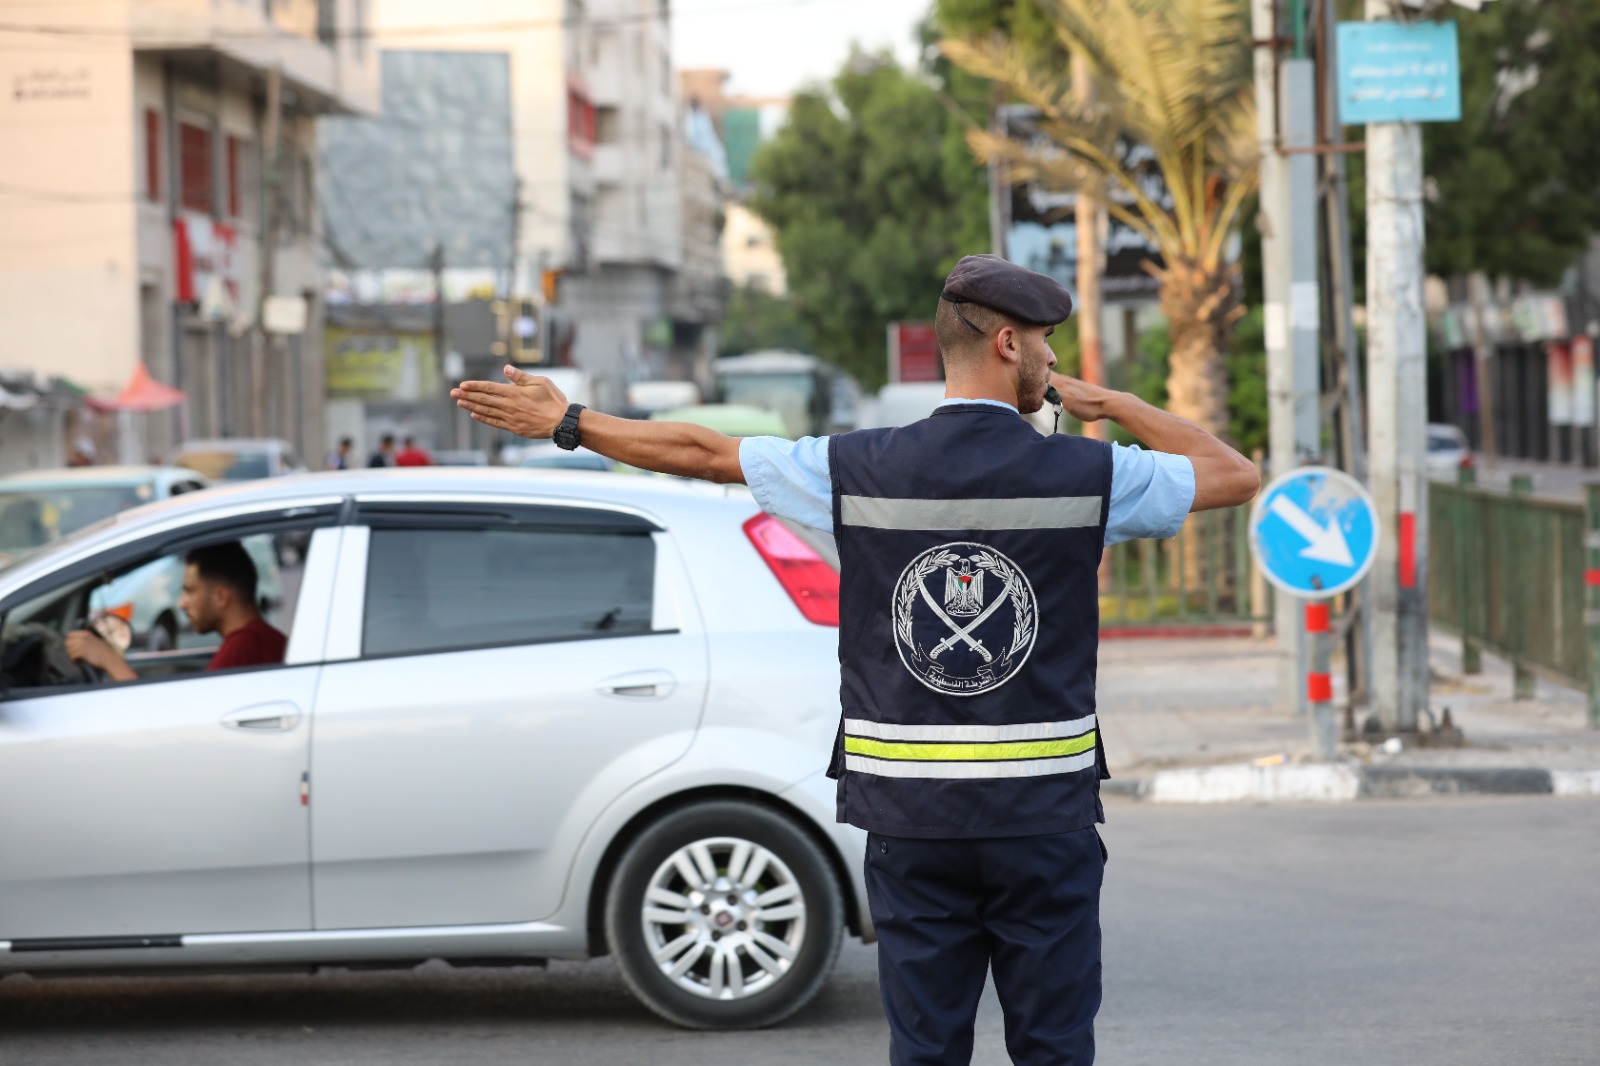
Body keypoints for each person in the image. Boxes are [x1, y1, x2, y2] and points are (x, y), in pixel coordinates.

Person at [452, 254, 1259, 1065]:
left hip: (909, 821)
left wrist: (571, 422)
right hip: (1041, 820)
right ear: (1008, 344)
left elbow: (702, 451)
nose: (1055, 363)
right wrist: (1112, 405)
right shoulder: (1092, 474)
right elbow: (1234, 473)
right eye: (1048, 344)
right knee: (1053, 1048)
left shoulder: (854, 466)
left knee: (925, 1049)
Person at [66, 541, 287, 682]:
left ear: (221, 596)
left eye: (190, 591)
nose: (182, 603)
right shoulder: (262, 641)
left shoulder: (243, 649)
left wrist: (108, 660)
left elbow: (175, 721)